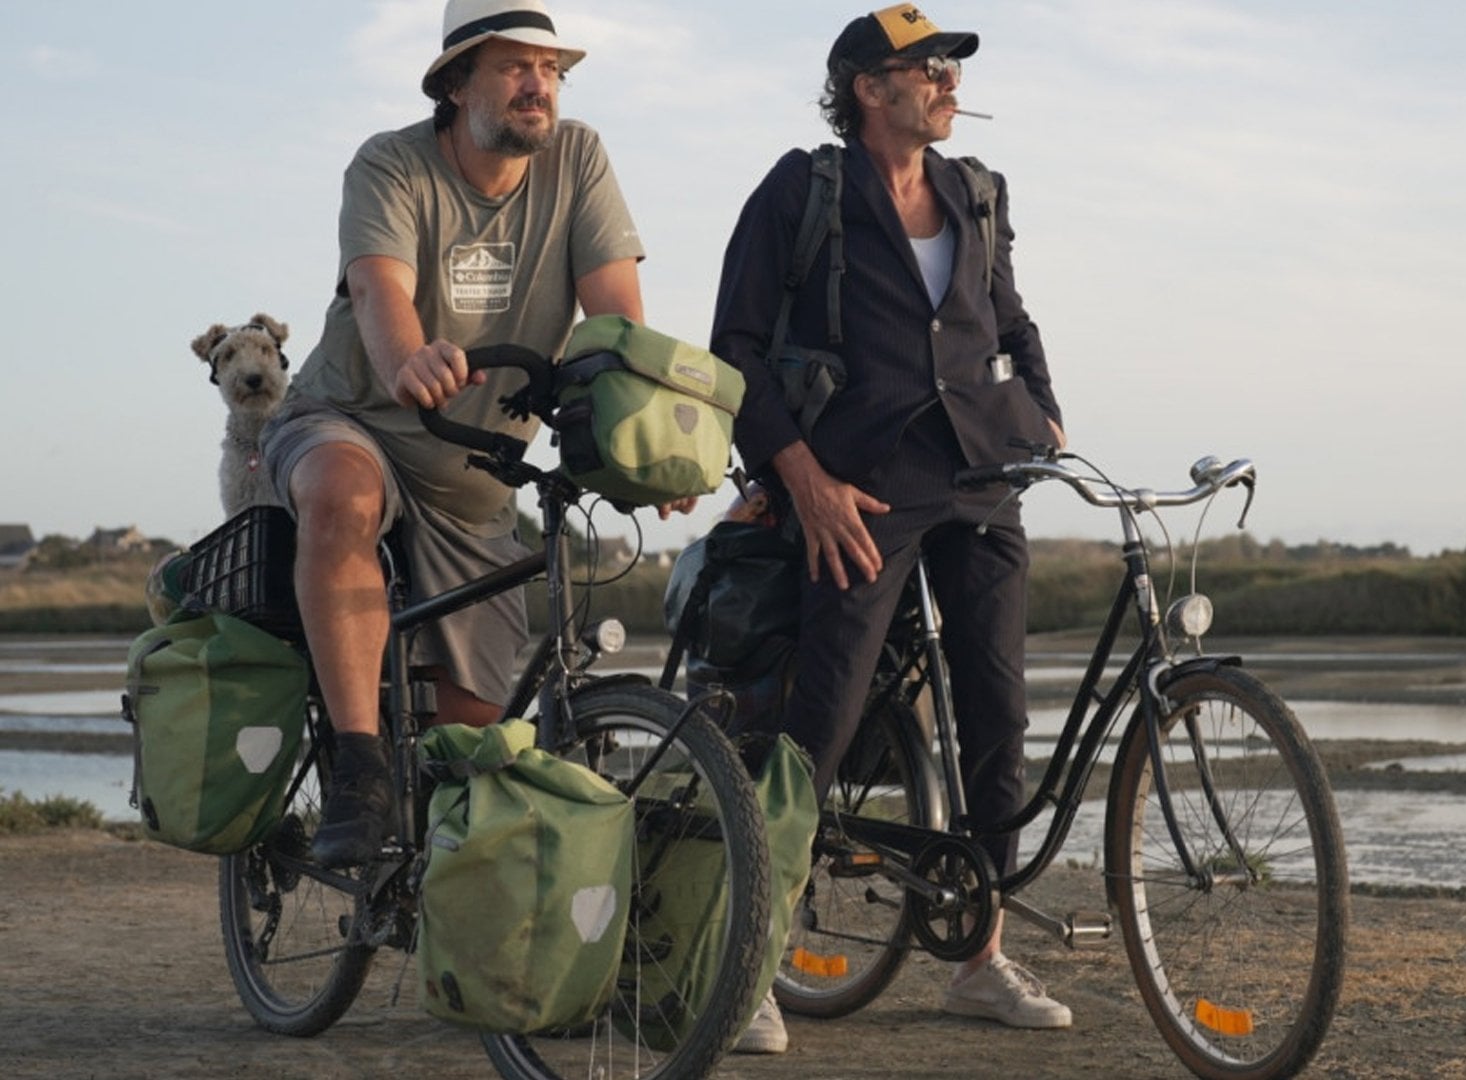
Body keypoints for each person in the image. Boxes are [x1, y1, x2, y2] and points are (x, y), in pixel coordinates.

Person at [710, 3, 1071, 1054]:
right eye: (929, 66)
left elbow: (1009, 317)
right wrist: (804, 480)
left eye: (952, 65)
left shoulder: (974, 192)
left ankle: (977, 956)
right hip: (861, 486)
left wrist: (1045, 408)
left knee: (998, 715)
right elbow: (734, 347)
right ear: (871, 89)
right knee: (820, 717)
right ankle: (749, 967)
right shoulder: (802, 188)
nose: (949, 80)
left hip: (982, 472)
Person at [260, 0, 647, 868]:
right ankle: (357, 766)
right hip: (355, 419)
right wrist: (406, 359)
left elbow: (617, 323)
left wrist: (646, 436)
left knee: (471, 756)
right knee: (340, 492)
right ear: (455, 81)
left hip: (475, 476)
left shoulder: (578, 159)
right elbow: (377, 293)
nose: (538, 85)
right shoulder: (390, 163)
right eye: (514, 67)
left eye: (550, 70)